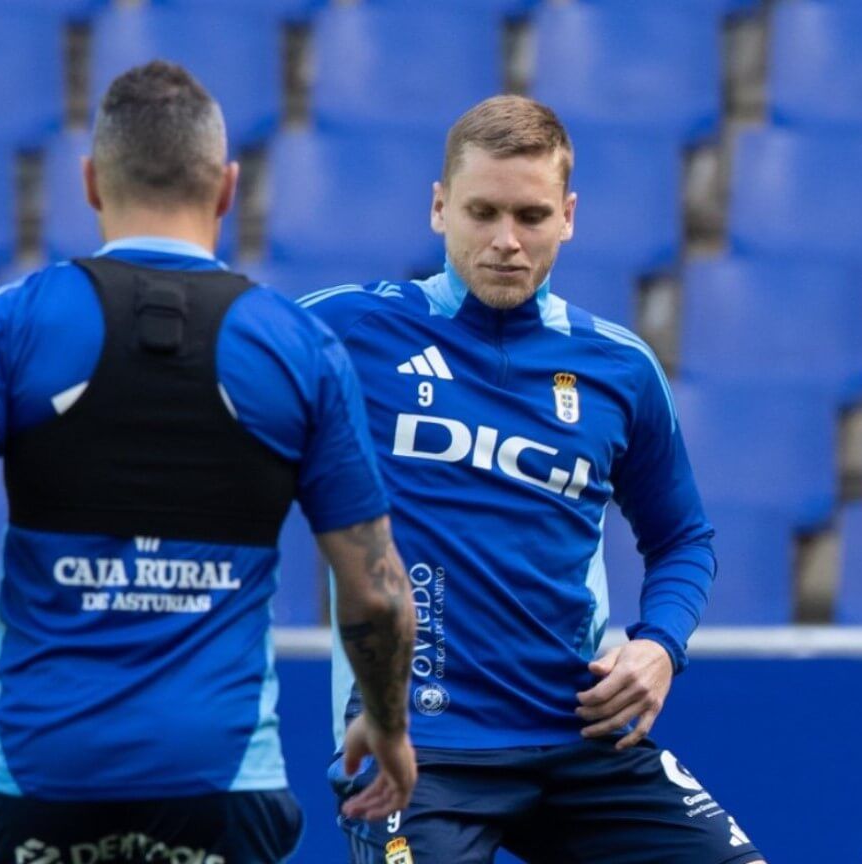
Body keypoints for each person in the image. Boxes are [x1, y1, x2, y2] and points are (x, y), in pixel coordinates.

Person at [0, 61, 416, 864]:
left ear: (91, 182)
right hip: (218, 781)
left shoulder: (12, 322)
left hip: (38, 771)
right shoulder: (298, 346)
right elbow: (374, 591)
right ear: (227, 188)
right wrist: (388, 722)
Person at [301, 95, 765, 863]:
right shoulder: (345, 332)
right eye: (482, 212)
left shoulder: (620, 368)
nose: (506, 241)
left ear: (568, 217)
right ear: (439, 207)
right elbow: (213, 381)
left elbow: (683, 538)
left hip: (579, 735)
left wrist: (659, 646)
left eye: (531, 216)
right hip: (415, 748)